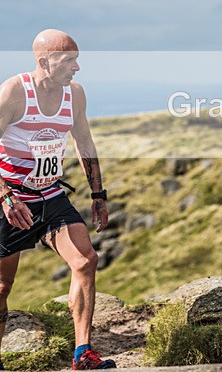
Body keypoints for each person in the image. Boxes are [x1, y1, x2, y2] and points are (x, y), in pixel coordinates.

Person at [0, 30, 115, 370]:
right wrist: (5, 196)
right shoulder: (14, 92)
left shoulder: (74, 94)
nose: (76, 68)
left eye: (77, 59)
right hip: (12, 201)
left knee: (85, 262)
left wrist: (97, 194)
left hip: (50, 195)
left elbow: (85, 142)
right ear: (43, 62)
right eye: (68, 61)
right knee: (3, 286)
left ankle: (83, 353)